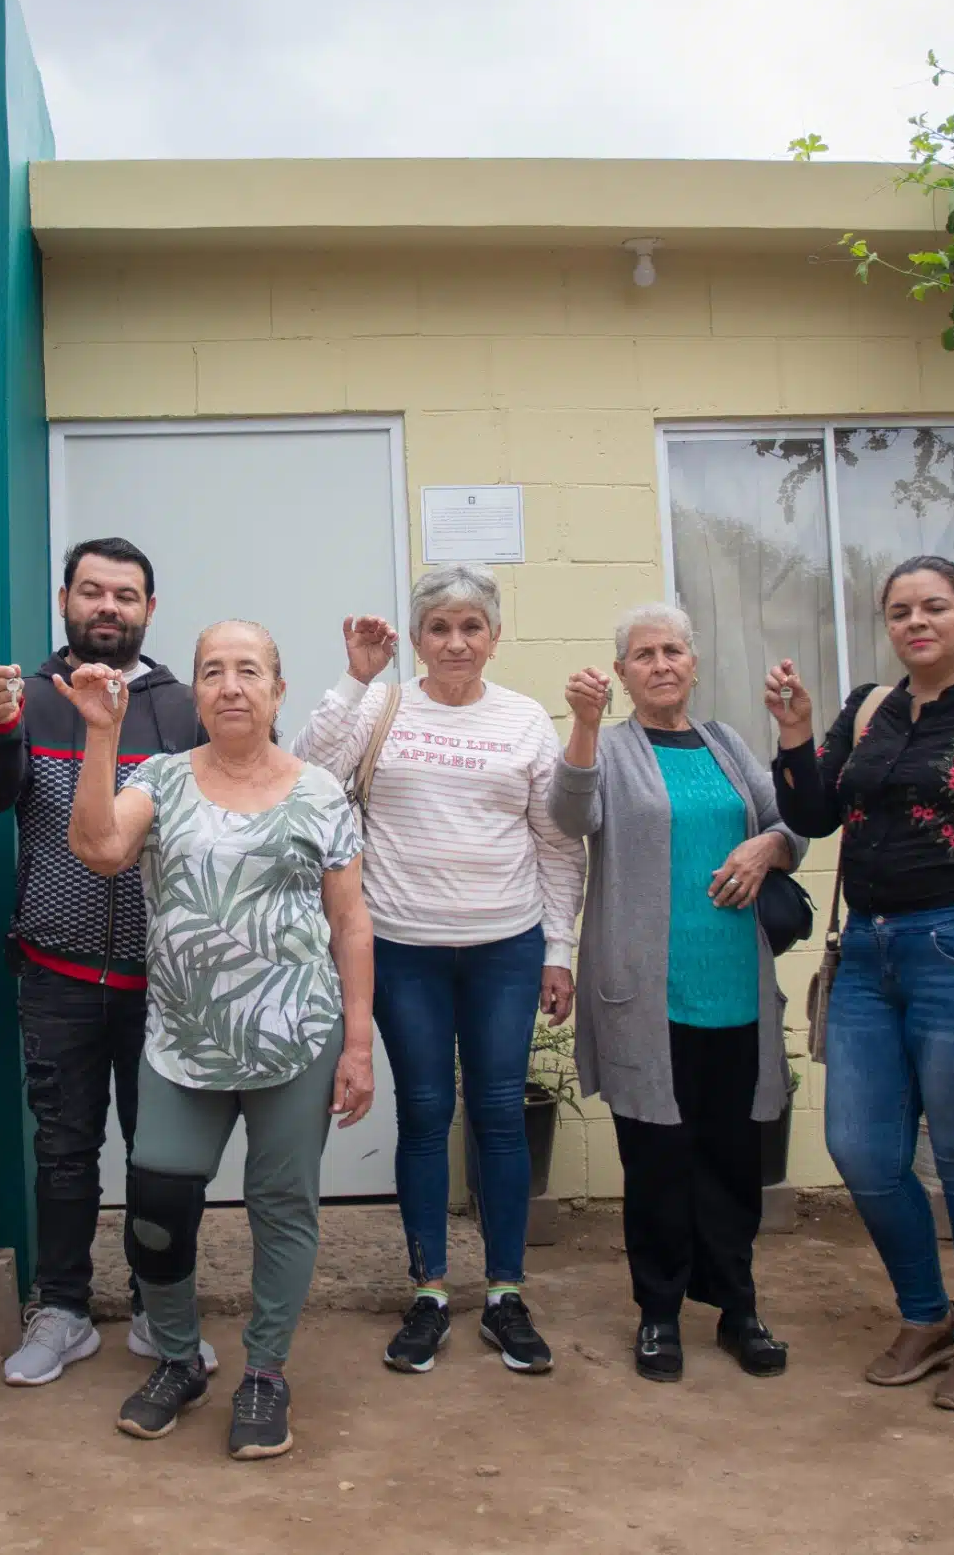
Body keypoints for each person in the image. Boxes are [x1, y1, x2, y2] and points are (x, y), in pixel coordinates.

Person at [763, 555, 954, 1413]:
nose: (916, 622)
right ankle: (926, 1315)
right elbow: (814, 814)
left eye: (935, 607)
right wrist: (796, 733)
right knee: (861, 1152)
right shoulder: (873, 708)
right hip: (869, 953)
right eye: (900, 611)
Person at [67, 623, 376, 1461]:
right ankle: (177, 1358)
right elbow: (97, 847)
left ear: (278, 691)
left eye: (249, 671)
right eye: (213, 671)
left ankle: (266, 1372)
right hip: (183, 1041)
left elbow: (349, 921)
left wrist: (356, 1043)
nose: (231, 685)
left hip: (297, 1040)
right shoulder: (161, 779)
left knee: (284, 1208)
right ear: (195, 693)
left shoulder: (320, 791)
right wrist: (101, 734)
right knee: (159, 1209)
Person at [290, 563, 582, 1376]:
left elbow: (557, 842)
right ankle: (426, 1292)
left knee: (497, 1111)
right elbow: (307, 771)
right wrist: (355, 677)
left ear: (493, 636)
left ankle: (505, 1294)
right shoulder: (384, 703)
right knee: (423, 1111)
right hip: (403, 947)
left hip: (506, 946)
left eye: (472, 627)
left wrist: (558, 948)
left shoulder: (525, 720)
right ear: (418, 638)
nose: (456, 642)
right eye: (440, 628)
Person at [0, 538, 211, 1388]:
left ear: (149, 607)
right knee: (65, 1151)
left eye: (127, 594)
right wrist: (0, 730)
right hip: (57, 972)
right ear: (66, 598)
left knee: (162, 1155)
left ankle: (159, 1309)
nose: (109, 607)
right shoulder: (28, 696)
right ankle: (63, 1309)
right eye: (93, 591)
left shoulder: (186, 707)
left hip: (167, 979)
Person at [552, 603, 803, 1384]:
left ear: (692, 663)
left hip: (735, 988)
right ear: (621, 673)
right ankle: (658, 1313)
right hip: (648, 999)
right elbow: (569, 814)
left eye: (672, 651)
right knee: (657, 1160)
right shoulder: (615, 749)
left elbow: (790, 824)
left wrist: (769, 842)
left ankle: (738, 1308)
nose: (660, 664)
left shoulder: (726, 744)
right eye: (642, 654)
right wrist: (585, 729)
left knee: (733, 1158)